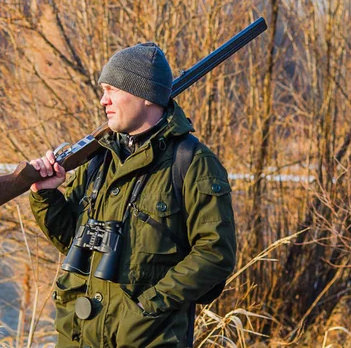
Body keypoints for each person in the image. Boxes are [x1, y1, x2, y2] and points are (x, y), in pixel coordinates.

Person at [29, 42, 237, 348]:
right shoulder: (99, 160)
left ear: (144, 94)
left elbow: (215, 254)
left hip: (144, 340)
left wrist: (146, 308)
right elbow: (72, 242)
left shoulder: (192, 163)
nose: (103, 100)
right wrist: (46, 196)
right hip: (77, 336)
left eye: (112, 89)